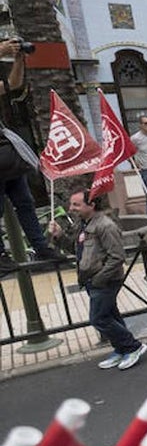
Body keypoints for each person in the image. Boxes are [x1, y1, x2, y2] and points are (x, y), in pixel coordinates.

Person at [48, 190, 147, 370]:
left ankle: (133, 346)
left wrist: (99, 279)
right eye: (72, 204)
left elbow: (117, 257)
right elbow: (76, 248)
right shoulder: (84, 224)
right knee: (111, 315)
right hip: (92, 280)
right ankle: (121, 348)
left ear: (91, 205)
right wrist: (59, 235)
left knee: (99, 318)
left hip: (105, 280)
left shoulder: (105, 225)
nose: (71, 208)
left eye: (76, 204)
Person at [0, 38, 68, 274]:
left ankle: (41, 247)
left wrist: (18, 59)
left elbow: (11, 85)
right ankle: (0, 255)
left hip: (6, 155)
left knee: (25, 202)